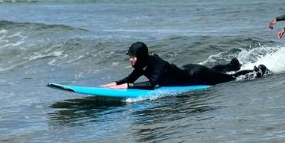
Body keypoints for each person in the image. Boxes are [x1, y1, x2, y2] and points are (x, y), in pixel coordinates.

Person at [103, 41, 266, 90]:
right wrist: (115, 84)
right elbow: (130, 78)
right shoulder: (141, 65)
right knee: (216, 71)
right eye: (130, 57)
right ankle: (232, 64)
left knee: (230, 79)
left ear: (140, 56)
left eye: (132, 57)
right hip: (188, 69)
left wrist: (127, 87)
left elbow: (153, 84)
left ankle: (257, 71)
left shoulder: (156, 63)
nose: (130, 60)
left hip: (196, 75)